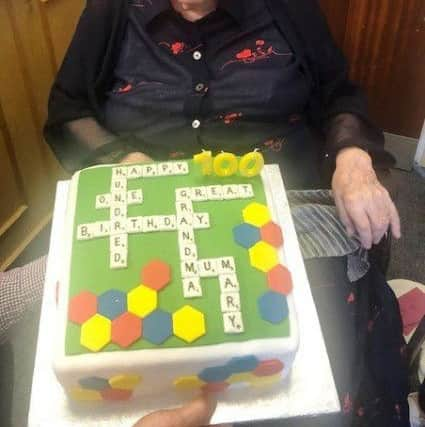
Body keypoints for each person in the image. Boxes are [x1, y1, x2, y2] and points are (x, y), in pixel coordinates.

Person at [44, 1, 409, 426]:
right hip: (151, 211)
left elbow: (339, 93)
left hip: (279, 209)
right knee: (122, 354)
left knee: (310, 368)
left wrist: (352, 155)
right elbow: (69, 109)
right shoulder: (112, 9)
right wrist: (123, 158)